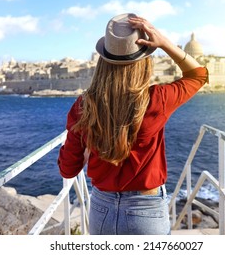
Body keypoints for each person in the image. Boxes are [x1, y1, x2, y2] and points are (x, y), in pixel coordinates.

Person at [58, 13, 209, 235]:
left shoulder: (83, 106)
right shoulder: (157, 100)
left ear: (103, 62)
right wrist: (165, 43)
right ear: (145, 61)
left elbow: (68, 170)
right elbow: (198, 75)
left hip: (102, 211)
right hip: (146, 212)